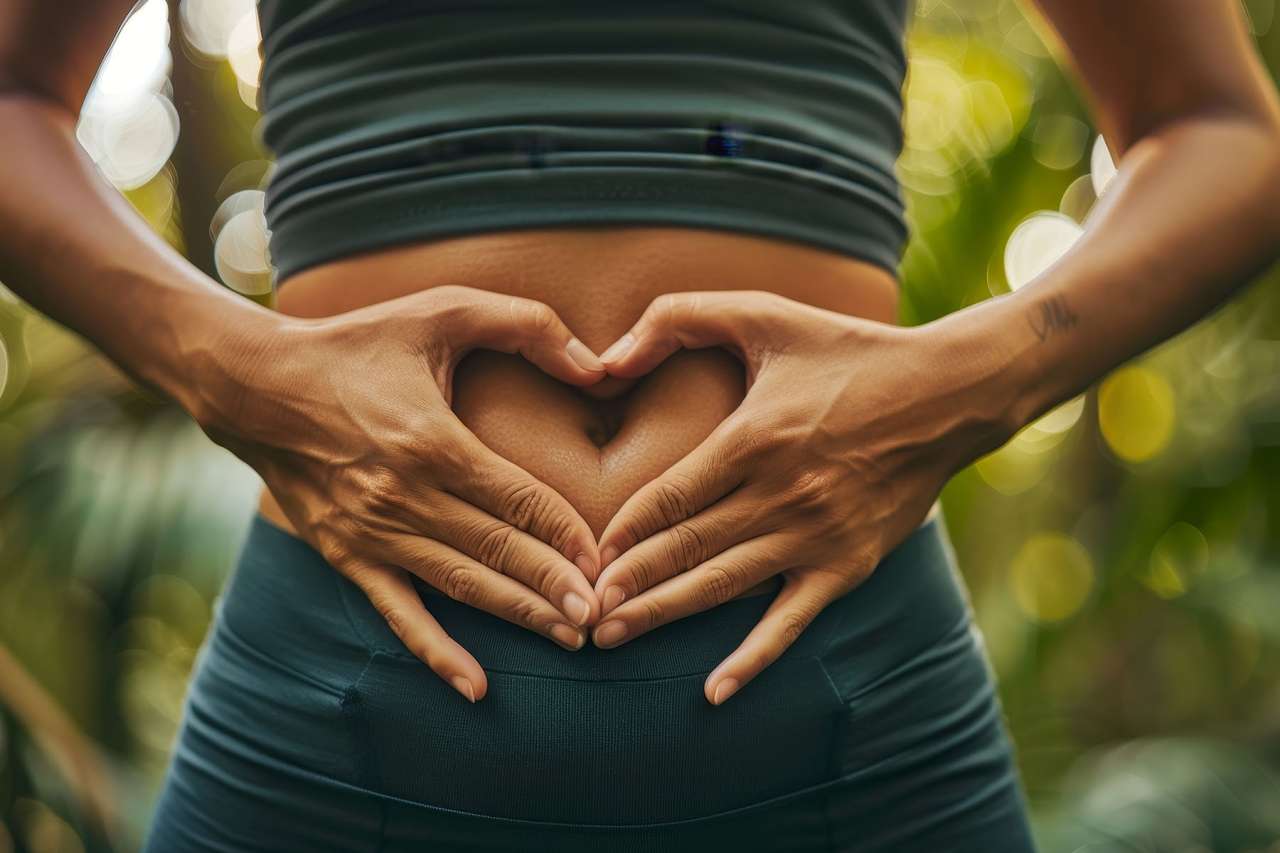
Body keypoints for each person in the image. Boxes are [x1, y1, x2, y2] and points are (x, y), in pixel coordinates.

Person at [2, 0, 1278, 850]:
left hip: (856, 720)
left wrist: (960, 388)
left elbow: (1218, 132)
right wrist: (241, 377)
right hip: (331, 712)